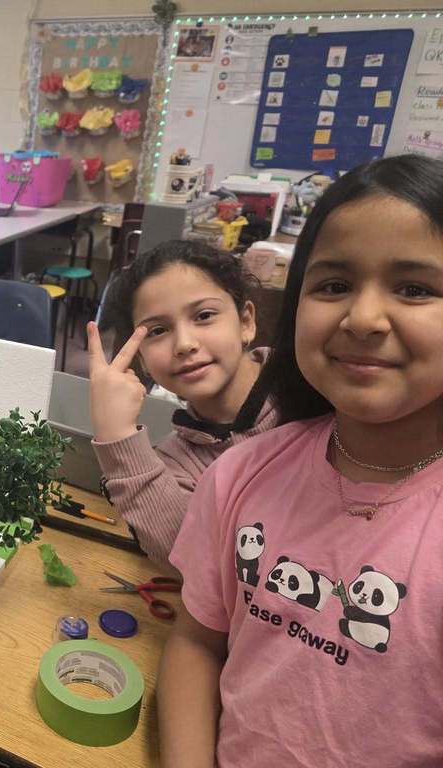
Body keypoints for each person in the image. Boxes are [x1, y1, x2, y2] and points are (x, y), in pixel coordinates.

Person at [158, 154, 443, 766]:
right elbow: (197, 641)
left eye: (415, 288)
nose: (363, 318)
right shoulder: (240, 474)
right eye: (333, 285)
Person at [87, 240, 277, 568]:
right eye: (158, 331)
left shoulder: (309, 393)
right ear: (143, 360)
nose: (185, 344)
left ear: (246, 322)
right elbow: (190, 561)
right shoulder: (178, 461)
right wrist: (116, 434)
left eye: (204, 316)